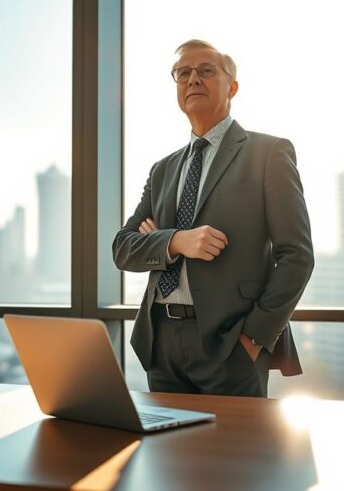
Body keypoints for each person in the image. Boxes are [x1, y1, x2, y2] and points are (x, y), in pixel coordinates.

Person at [113, 39, 314, 397]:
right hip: (160, 343)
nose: (193, 80)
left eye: (206, 71)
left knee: (235, 453)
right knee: (170, 451)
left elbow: (296, 256)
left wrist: (254, 337)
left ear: (232, 87)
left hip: (231, 347)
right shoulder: (163, 170)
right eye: (183, 73)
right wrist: (175, 240)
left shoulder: (268, 153)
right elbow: (124, 247)